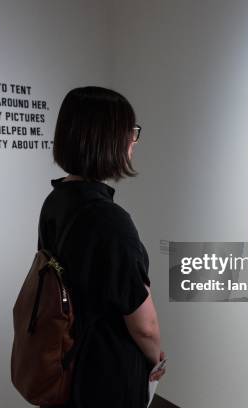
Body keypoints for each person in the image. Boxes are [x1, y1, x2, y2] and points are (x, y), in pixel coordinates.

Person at [37, 86, 166, 408]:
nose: (133, 140)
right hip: (106, 372)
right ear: (107, 138)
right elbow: (143, 324)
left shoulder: (57, 201)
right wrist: (157, 360)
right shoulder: (109, 219)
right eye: (130, 131)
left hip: (67, 360)